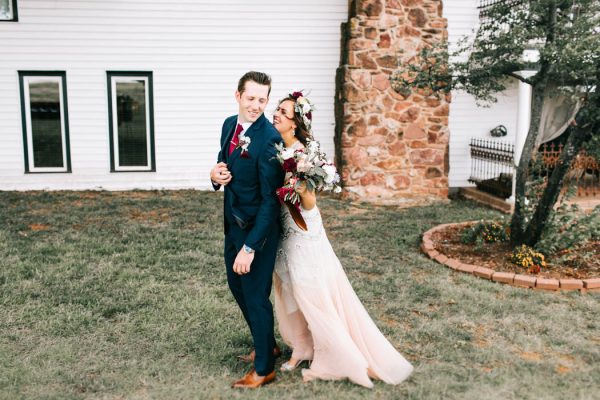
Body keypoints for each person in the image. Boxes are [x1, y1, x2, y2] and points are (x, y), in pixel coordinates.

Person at [271, 93, 414, 388]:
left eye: (283, 112)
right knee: (288, 285)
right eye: (277, 110)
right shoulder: (277, 148)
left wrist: (295, 188)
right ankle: (302, 345)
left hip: (302, 229)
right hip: (282, 227)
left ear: (295, 123)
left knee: (308, 288)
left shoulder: (301, 156)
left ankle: (337, 352)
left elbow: (308, 202)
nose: (276, 114)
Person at [209, 71, 284, 389]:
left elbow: (271, 201)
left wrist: (251, 247)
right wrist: (215, 174)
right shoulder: (229, 125)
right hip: (232, 225)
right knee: (236, 288)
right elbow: (222, 162)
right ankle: (268, 342)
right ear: (237, 95)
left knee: (255, 296)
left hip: (259, 232)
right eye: (251, 98)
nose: (256, 106)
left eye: (262, 100)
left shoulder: (270, 139)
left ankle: (264, 368)